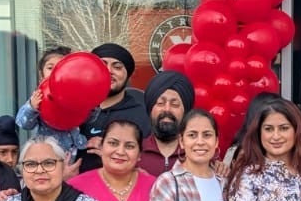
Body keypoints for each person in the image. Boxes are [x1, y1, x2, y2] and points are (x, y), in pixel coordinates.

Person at [69, 119, 153, 201]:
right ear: (101, 147)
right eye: (113, 143)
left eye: (129, 146)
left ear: (139, 154)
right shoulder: (75, 188)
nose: (120, 151)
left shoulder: (156, 188)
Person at [78, 42, 153, 173]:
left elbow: (147, 161)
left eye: (117, 67)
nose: (109, 71)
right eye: (102, 65)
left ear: (128, 75)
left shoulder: (142, 114)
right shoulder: (76, 108)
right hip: (73, 189)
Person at [16, 46, 88, 167]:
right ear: (41, 74)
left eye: (62, 68)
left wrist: (90, 106)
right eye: (50, 68)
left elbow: (86, 117)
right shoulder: (39, 96)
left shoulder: (76, 93)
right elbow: (23, 123)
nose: (56, 72)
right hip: (48, 154)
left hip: (75, 152)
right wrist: (32, 107)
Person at [141, 70, 194, 177]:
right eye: (160, 103)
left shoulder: (197, 155)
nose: (167, 109)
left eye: (175, 104)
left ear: (186, 112)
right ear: (150, 109)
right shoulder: (134, 153)